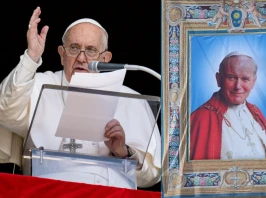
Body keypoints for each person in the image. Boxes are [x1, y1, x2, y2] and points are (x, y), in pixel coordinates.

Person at [0, 6, 161, 189]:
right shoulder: (39, 84)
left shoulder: (130, 99)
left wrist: (123, 152)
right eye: (74, 48)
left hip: (108, 192)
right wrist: (31, 57)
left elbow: (152, 175)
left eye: (91, 50)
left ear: (106, 58)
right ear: (61, 54)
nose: (82, 58)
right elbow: (5, 112)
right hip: (46, 189)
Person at [190, 51, 266, 160]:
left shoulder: (256, 112)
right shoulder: (201, 118)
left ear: (253, 82)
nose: (238, 86)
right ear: (218, 79)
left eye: (245, 79)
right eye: (231, 78)